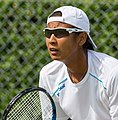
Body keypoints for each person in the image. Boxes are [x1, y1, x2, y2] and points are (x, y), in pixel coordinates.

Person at [39, 6, 118, 120]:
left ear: (81, 38)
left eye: (60, 33)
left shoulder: (113, 73)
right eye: (48, 33)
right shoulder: (48, 75)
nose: (51, 40)